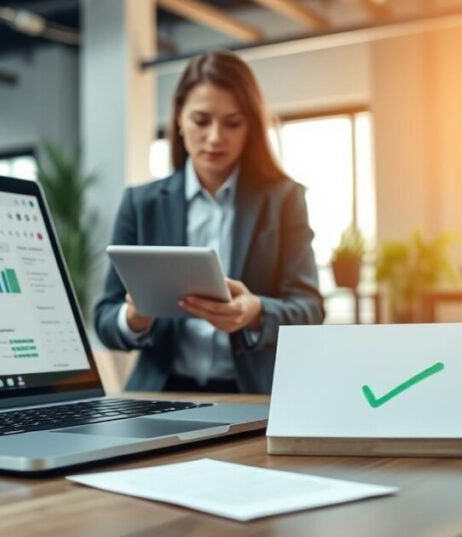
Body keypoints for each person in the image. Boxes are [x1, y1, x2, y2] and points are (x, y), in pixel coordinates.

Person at [93, 50, 324, 394]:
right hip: (161, 393)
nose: (216, 138)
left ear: (250, 127)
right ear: (179, 120)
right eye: (201, 121)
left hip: (253, 395)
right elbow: (104, 319)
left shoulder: (283, 201)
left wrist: (256, 311)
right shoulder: (141, 204)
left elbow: (310, 309)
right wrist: (134, 318)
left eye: (233, 123)